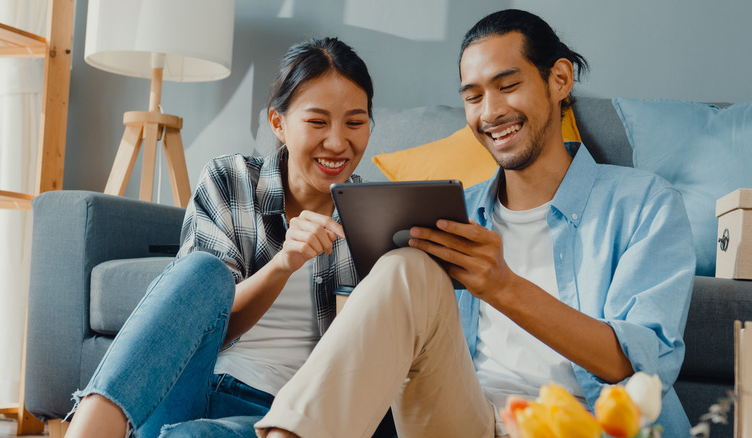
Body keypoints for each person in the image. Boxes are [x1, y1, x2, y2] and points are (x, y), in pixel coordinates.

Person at [256, 9, 695, 438]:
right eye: (473, 96)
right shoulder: (450, 215)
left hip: (585, 424)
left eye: (508, 86)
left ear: (559, 79)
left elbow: (646, 367)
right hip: (467, 420)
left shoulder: (644, 203)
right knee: (405, 267)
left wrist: (504, 287)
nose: (491, 112)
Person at [63, 36, 374, 438]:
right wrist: (282, 264)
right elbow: (210, 321)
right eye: (317, 122)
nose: (337, 142)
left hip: (276, 415)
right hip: (191, 383)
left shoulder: (371, 217)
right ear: (278, 124)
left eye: (354, 122)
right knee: (202, 270)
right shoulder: (230, 180)